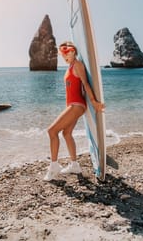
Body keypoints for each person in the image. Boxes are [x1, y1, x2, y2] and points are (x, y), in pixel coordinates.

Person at [44, 41, 105, 181]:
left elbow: (85, 84)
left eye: (66, 53)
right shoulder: (70, 67)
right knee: (66, 133)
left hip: (77, 105)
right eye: (62, 54)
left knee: (52, 131)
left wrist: (94, 102)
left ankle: (54, 166)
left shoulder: (77, 65)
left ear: (72, 52)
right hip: (72, 105)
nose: (64, 56)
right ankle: (74, 165)